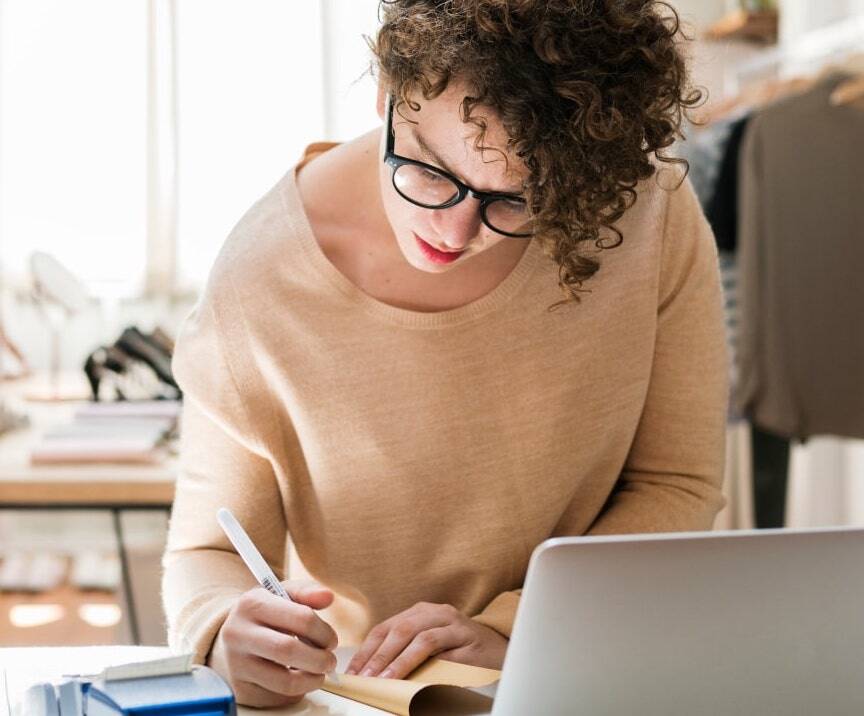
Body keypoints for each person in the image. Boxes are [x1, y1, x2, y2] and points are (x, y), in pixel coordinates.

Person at [162, 0, 728, 708]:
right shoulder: (260, 279)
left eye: (518, 200)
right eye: (430, 171)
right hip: (357, 696)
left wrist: (519, 628)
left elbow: (675, 484)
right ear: (388, 94)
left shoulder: (647, 215)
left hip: (590, 672)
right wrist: (226, 632)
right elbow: (208, 552)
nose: (454, 230)